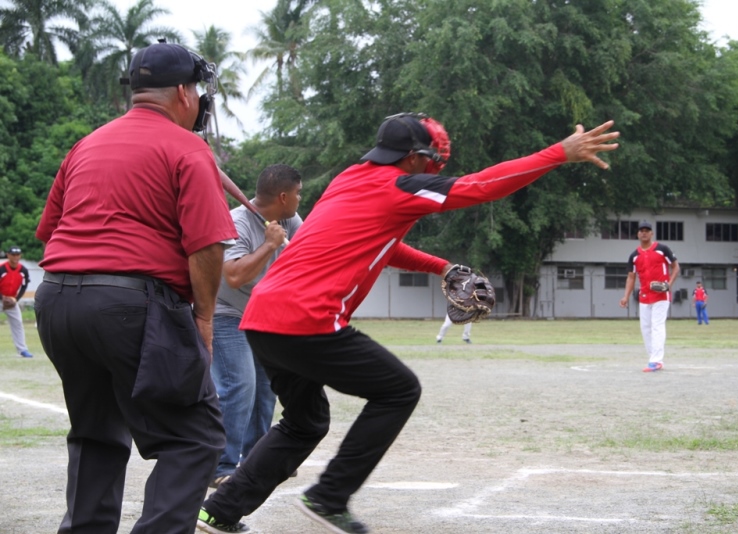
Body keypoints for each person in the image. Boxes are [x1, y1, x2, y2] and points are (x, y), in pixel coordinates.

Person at [196, 113, 619, 534]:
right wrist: (558, 153)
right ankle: (328, 497)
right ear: (415, 157)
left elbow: (384, 244)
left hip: (264, 318)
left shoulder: (350, 179)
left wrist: (441, 267)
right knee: (399, 390)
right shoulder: (400, 186)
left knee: (305, 422)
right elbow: (480, 186)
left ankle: (221, 510)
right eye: (431, 157)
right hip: (307, 317)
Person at [34, 41, 238, 534]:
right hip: (130, 302)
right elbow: (207, 245)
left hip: (57, 298)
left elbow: (49, 231)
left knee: (96, 433)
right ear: (185, 93)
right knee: (194, 437)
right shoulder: (188, 147)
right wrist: (203, 319)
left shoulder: (87, 143)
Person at [210, 164, 303, 488]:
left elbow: (305, 257)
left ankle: (257, 460)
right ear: (283, 197)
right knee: (240, 385)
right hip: (228, 313)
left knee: (265, 389)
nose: (300, 199)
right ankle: (220, 465)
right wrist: (269, 245)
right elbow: (234, 276)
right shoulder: (237, 222)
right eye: (298, 193)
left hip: (264, 316)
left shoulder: (291, 220)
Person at [619, 220, 680, 372]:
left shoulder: (662, 249)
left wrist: (669, 284)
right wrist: (626, 296)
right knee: (645, 328)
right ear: (638, 234)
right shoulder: (634, 256)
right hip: (644, 295)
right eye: (641, 230)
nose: (644, 233)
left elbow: (676, 267)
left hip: (661, 295)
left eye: (647, 230)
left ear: (652, 233)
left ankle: (656, 361)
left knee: (657, 325)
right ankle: (654, 358)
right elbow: (631, 277)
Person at [1, 246, 33, 358]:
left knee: (18, 323)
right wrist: (2, 297)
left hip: (12, 300)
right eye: (13, 255)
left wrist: (16, 299)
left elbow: (24, 286)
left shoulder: (23, 270)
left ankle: (22, 350)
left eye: (17, 255)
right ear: (8, 255)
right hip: (1, 298)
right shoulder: (2, 268)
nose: (15, 257)